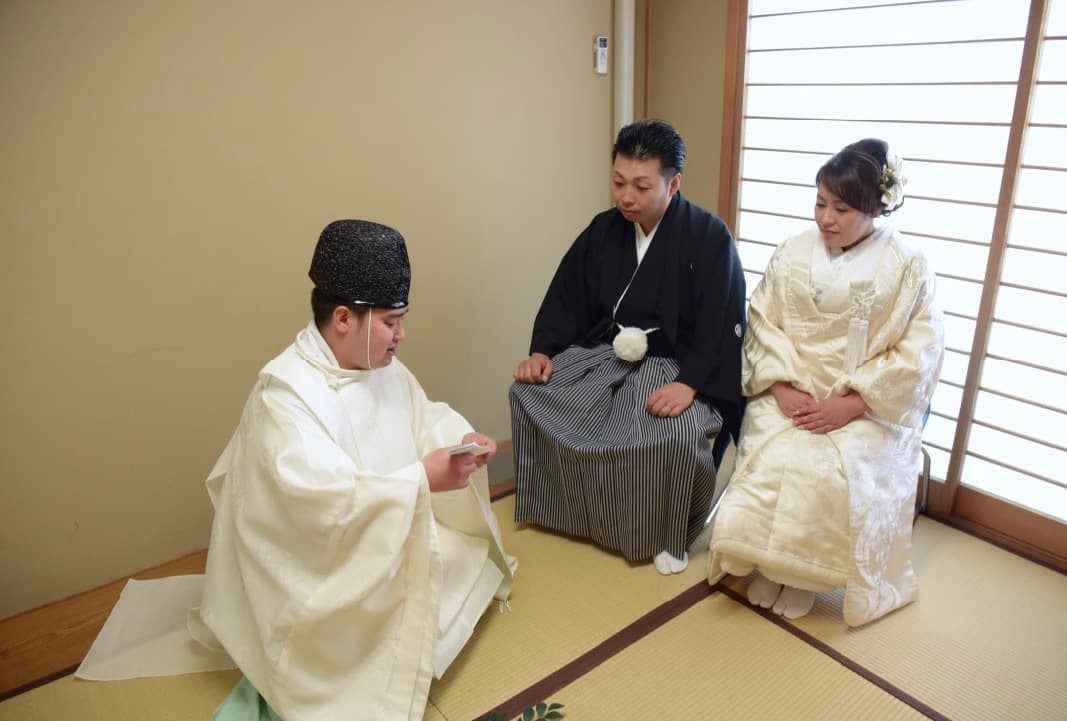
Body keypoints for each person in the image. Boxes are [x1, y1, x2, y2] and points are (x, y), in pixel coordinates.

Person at [189, 220, 516, 721]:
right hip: (317, 572)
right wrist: (421, 480)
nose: (401, 336)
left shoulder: (380, 365)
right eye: (391, 322)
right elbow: (319, 502)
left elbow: (422, 418)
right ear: (343, 318)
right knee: (359, 667)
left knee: (467, 564)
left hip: (382, 538)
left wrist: (461, 442)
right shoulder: (286, 396)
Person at [707, 139, 944, 626]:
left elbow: (919, 349)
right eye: (820, 203)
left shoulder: (908, 265)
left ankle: (805, 577)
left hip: (865, 404)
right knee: (772, 454)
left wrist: (851, 404)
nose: (826, 218)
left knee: (827, 471)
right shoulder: (792, 252)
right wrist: (781, 386)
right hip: (791, 388)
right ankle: (769, 563)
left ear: (876, 207)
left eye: (841, 208)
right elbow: (763, 321)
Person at [510, 119, 746, 576]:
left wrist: (690, 384)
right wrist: (543, 350)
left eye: (641, 186)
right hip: (606, 354)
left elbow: (723, 318)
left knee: (671, 435)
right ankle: (570, 513)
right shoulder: (603, 230)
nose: (625, 197)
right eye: (618, 182)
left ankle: (665, 534)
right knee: (529, 395)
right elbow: (566, 296)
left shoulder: (709, 237)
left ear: (673, 183)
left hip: (675, 366)